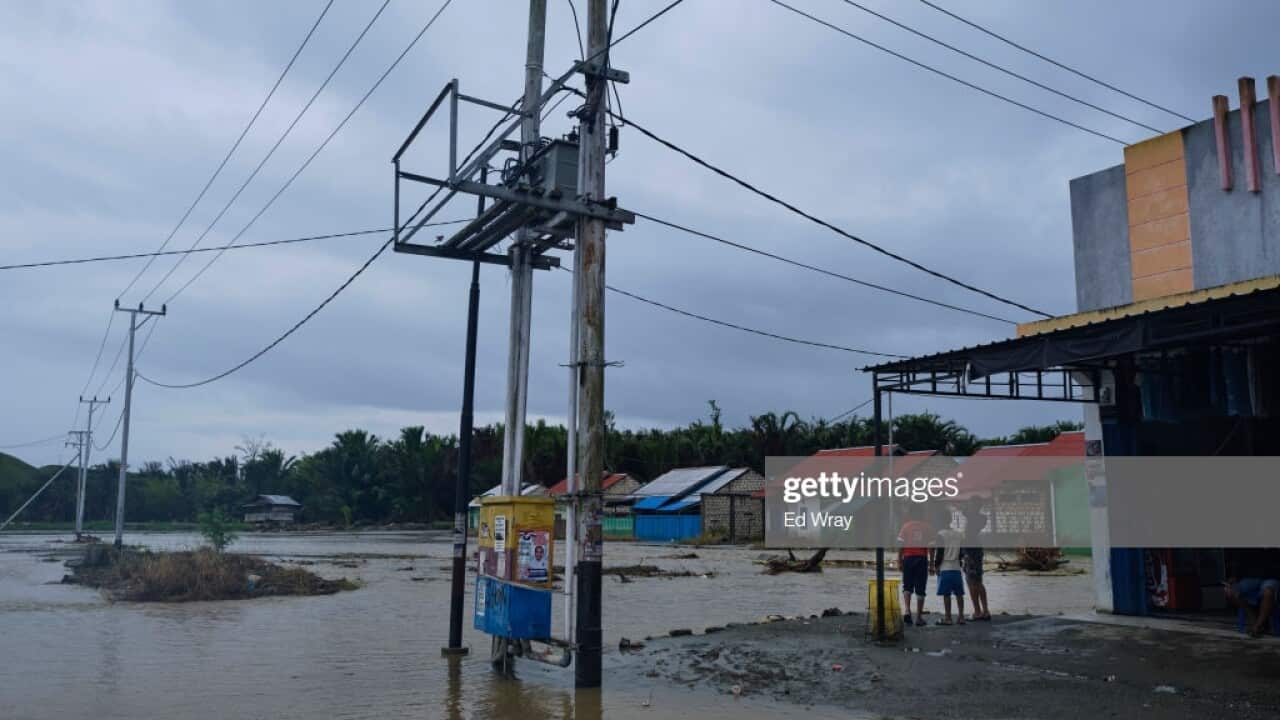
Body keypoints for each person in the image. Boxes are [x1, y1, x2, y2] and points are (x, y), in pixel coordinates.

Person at [897, 504, 931, 627]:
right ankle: (919, 618)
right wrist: (931, 563)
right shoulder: (927, 527)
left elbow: (900, 545)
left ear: (910, 514)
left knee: (907, 586)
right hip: (921, 558)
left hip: (908, 558)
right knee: (921, 588)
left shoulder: (906, 526)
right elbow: (931, 547)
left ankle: (907, 610)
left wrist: (899, 560)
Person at [961, 498, 991, 621]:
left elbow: (964, 511)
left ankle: (977, 612)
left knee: (971, 582)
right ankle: (985, 610)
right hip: (976, 550)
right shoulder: (981, 518)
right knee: (978, 581)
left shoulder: (974, 517)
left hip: (971, 551)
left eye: (970, 503)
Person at [932, 524, 966, 625]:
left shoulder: (940, 534)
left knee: (946, 594)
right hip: (956, 568)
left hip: (945, 567)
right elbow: (961, 552)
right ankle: (961, 617)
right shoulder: (959, 534)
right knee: (959, 594)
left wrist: (936, 565)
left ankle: (948, 618)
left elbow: (940, 552)